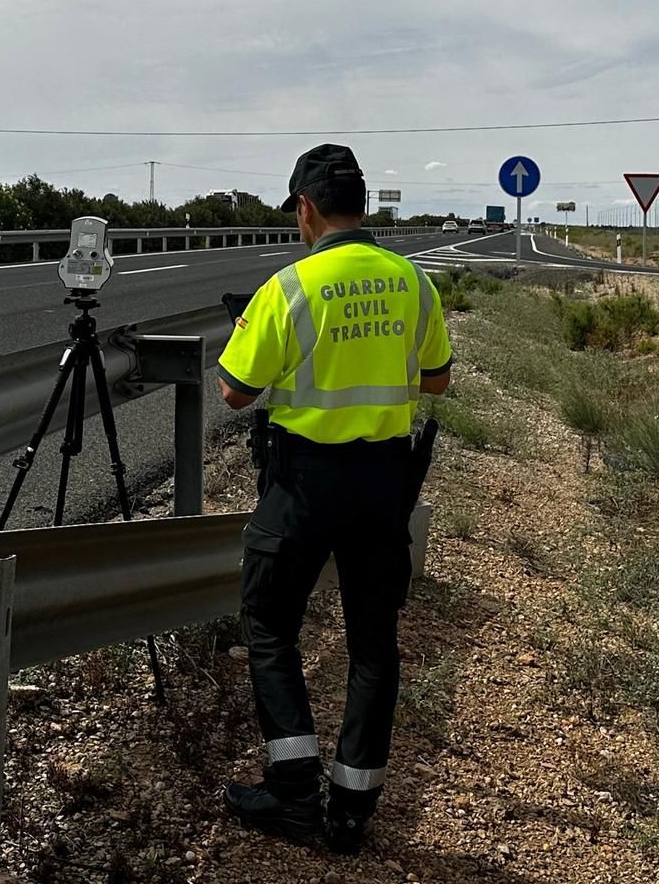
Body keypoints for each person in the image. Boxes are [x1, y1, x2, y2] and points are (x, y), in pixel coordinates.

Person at [215, 143, 453, 854]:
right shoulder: (413, 284)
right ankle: (352, 811)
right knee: (374, 645)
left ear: (306, 209)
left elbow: (234, 391)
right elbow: (436, 383)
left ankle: (293, 794)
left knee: (269, 625)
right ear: (365, 207)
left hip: (302, 483)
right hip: (383, 483)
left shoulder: (289, 288)